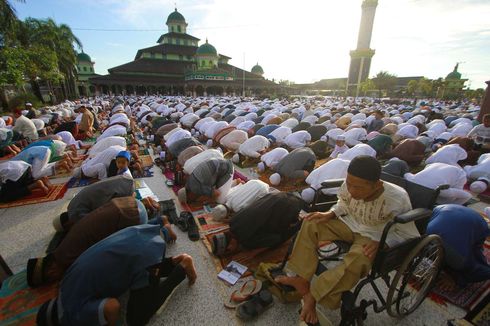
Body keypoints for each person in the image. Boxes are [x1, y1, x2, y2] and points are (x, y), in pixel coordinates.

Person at [275, 156, 419, 324]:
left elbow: (408, 234)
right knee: (311, 223)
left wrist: (383, 241)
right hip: (348, 223)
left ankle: (314, 295)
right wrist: (331, 213)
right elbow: (343, 202)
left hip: (373, 236)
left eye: (357, 187)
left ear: (377, 185)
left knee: (358, 259)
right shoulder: (349, 185)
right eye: (349, 183)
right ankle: (301, 278)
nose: (351, 190)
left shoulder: (397, 198)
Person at [36, 225, 196, 326]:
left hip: (142, 255)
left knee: (137, 319)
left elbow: (112, 307)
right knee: (138, 266)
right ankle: (174, 261)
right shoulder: (64, 286)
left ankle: (182, 267)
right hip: (136, 235)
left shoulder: (73, 314)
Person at [27, 196, 177, 287]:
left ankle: (163, 232)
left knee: (129, 247)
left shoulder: (66, 258)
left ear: (51, 271)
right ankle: (159, 221)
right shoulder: (62, 249)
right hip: (129, 204)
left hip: (131, 217)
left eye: (51, 278)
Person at [213, 192, 303, 255]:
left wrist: (254, 253)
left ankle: (300, 223)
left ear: (231, 243)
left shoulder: (247, 241)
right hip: (280, 195)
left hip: (291, 206)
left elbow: (275, 239)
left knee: (278, 240)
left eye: (229, 250)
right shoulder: (233, 222)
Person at [427, 204, 490, 287]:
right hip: (453, 257)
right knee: (485, 271)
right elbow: (477, 250)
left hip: (428, 244)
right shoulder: (483, 226)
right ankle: (456, 280)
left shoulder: (441, 207)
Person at [58, 175, 135, 230]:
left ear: (66, 225)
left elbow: (94, 221)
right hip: (123, 179)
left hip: (123, 190)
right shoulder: (71, 205)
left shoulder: (75, 216)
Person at [404, 162, 471, 205]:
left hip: (414, 183)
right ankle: (449, 208)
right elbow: (455, 194)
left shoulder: (435, 164)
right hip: (437, 190)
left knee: (407, 175)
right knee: (468, 195)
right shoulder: (461, 173)